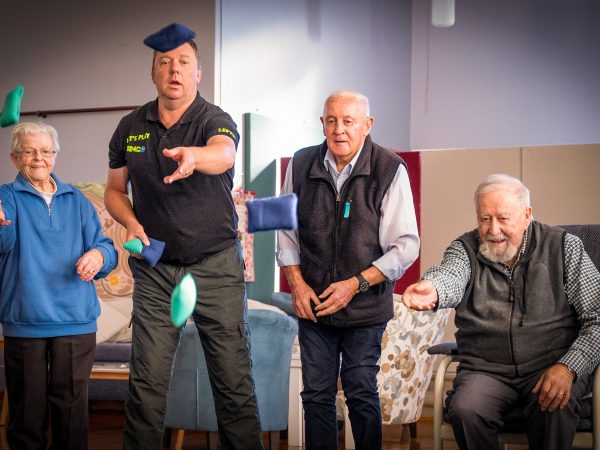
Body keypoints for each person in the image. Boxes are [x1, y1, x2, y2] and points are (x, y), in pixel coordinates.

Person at [104, 23, 264, 450]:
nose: (174, 70)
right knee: (146, 384)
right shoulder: (129, 127)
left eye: (184, 63)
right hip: (157, 271)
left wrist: (194, 156)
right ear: (153, 73)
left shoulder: (215, 120)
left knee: (233, 382)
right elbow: (115, 192)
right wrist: (132, 223)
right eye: (164, 62)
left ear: (198, 73)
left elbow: (224, 153)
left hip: (215, 267)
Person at [402, 173, 600, 450]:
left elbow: (597, 318)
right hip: (486, 370)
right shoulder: (466, 249)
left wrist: (568, 368)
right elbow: (451, 275)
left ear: (527, 214)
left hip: (551, 364)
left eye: (503, 219)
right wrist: (433, 288)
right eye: (485, 219)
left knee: (555, 406)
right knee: (465, 410)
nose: (493, 230)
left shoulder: (564, 247)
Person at [277, 90, 420, 450]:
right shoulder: (301, 163)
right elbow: (285, 232)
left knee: (359, 389)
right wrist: (297, 286)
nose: (339, 129)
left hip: (365, 307)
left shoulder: (389, 169)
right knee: (316, 395)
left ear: (367, 125)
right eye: (331, 120)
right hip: (315, 305)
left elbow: (405, 247)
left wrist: (355, 285)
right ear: (322, 123)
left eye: (349, 121)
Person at [0, 122, 118, 450]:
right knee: (26, 419)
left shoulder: (76, 200)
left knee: (71, 418)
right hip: (25, 321)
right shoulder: (5, 198)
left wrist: (98, 255)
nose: (38, 158)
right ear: (14, 158)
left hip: (75, 320)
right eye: (28, 151)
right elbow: (3, 244)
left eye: (46, 151)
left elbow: (107, 248)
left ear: (55, 155)